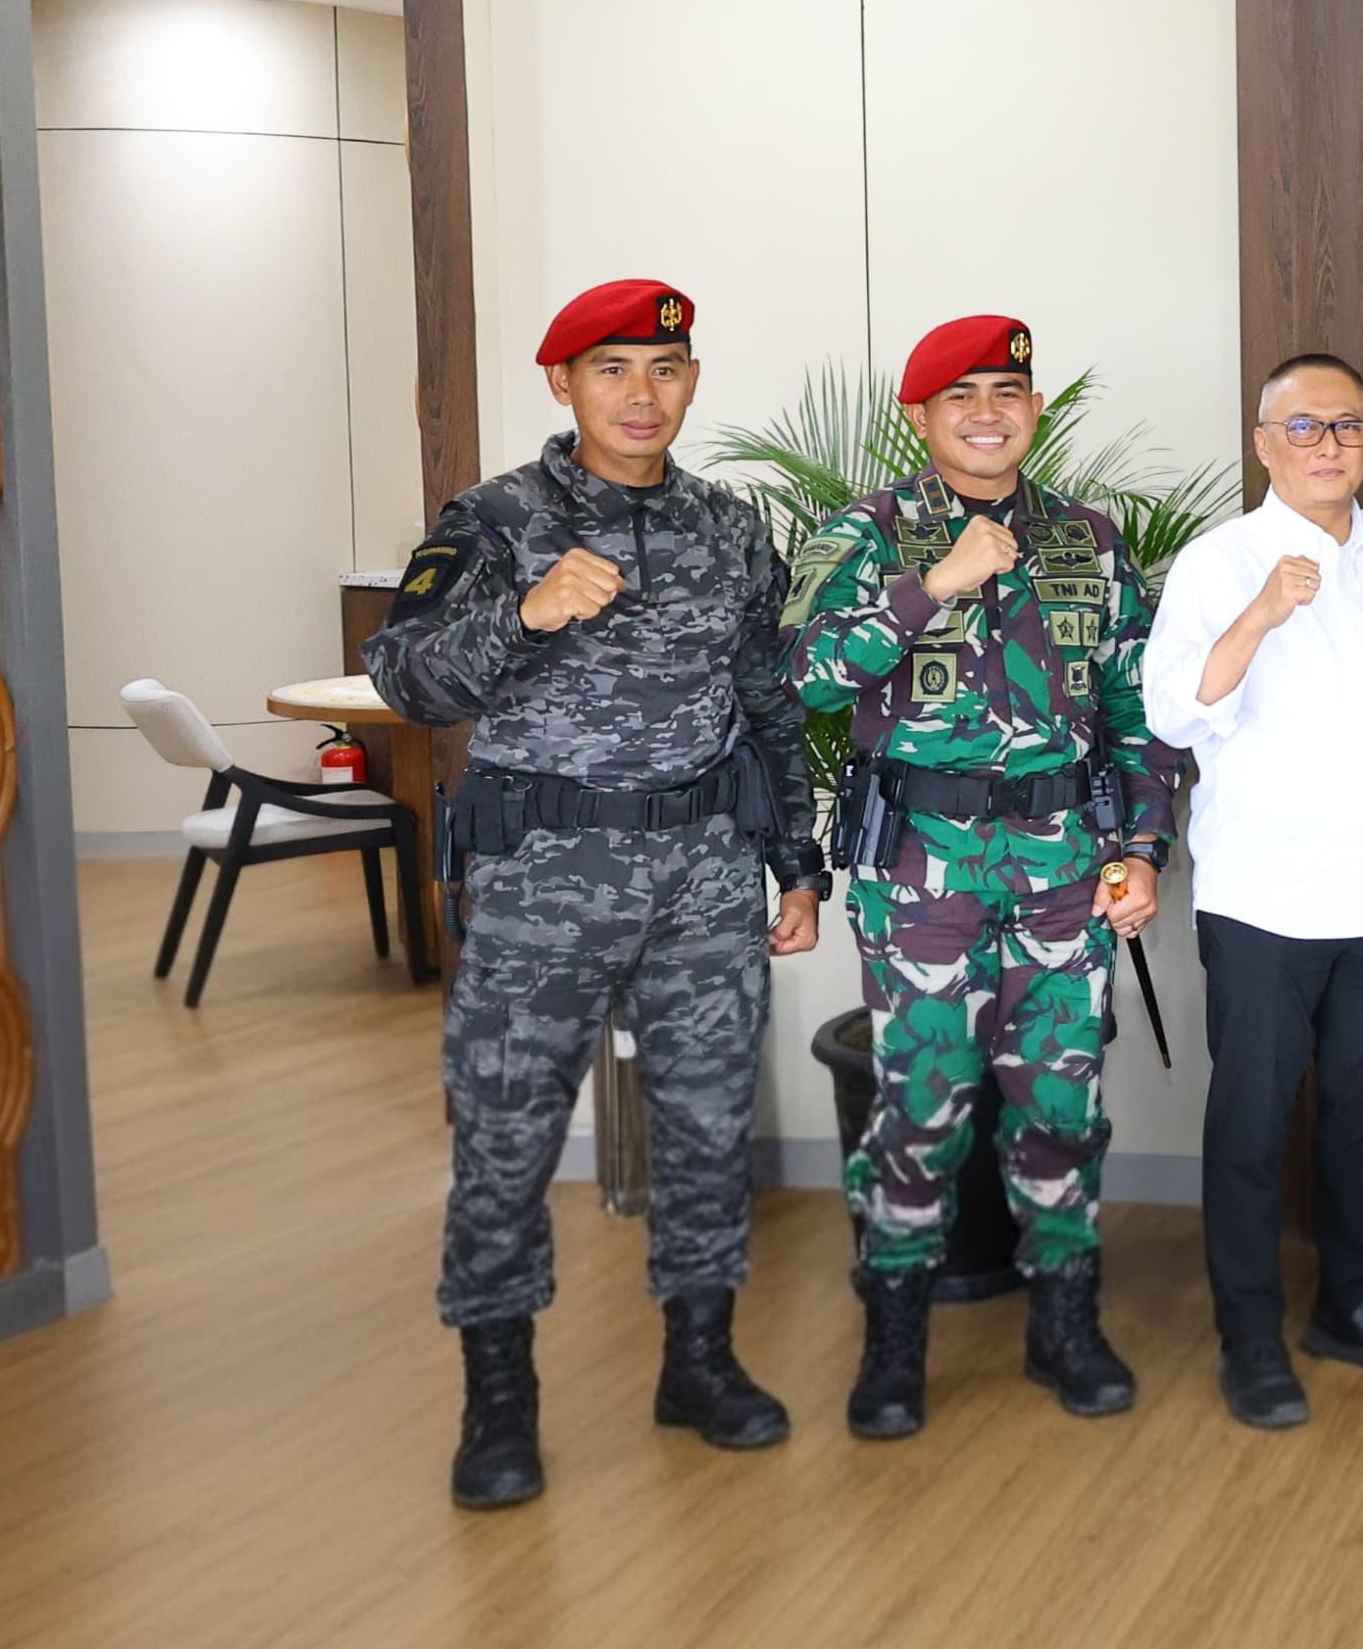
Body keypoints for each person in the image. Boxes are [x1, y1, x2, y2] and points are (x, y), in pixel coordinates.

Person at [368, 278, 826, 1511]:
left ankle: (700, 1361)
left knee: (707, 1127)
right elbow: (406, 680)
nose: (642, 395)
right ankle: (499, 1401)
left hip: (701, 874)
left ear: (691, 382)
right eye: (612, 369)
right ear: (561, 383)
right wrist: (523, 612)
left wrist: (797, 862)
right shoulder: (495, 517)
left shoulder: (729, 528)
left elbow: (769, 702)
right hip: (542, 882)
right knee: (508, 1137)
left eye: (665, 370)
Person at [789, 314, 1179, 1436]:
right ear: (919, 418)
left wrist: (1139, 847)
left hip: (1064, 867)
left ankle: (1065, 1322)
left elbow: (1136, 710)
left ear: (1034, 409)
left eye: (1007, 390)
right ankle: (894, 1337)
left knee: (1061, 1104)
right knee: (919, 1106)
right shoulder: (866, 532)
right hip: (926, 873)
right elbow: (803, 675)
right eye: (959, 395)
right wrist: (935, 585)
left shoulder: (1088, 541)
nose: (986, 411)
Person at [1143, 351, 1363, 1429]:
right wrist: (1256, 618)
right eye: (1303, 428)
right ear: (1262, 443)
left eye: (1347, 428)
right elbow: (1170, 715)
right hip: (1265, 902)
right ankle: (1249, 1339)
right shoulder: (1218, 560)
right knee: (1248, 1126)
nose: (1328, 446)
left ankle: (1351, 1303)